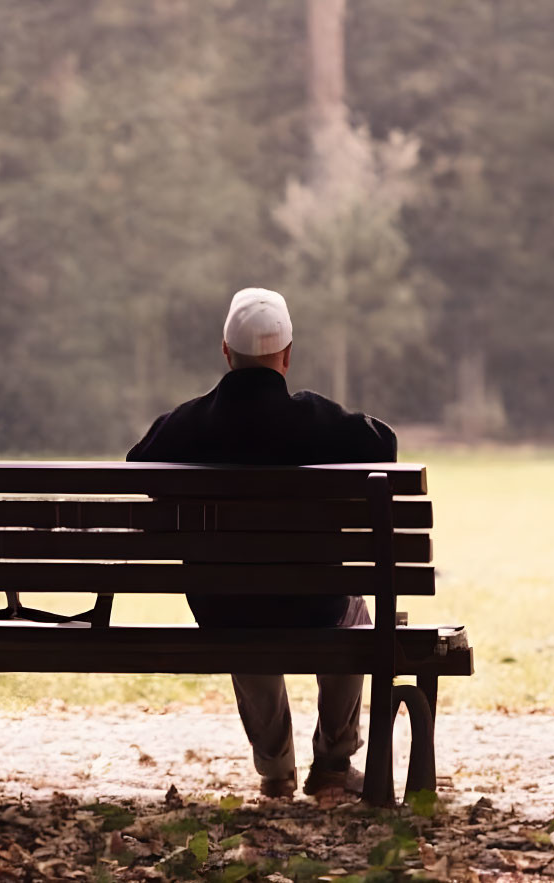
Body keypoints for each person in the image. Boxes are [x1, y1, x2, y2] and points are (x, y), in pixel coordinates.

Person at [127, 287, 397, 798]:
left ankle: (275, 771)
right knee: (353, 616)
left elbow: (136, 467)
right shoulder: (317, 420)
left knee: (241, 609)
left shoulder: (187, 424)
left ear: (226, 354)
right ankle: (334, 766)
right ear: (288, 355)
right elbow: (383, 443)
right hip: (316, 603)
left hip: (226, 607)